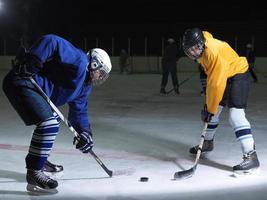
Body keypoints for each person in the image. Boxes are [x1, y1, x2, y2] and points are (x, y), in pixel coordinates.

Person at [2, 34, 112, 192]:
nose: (101, 76)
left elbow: (79, 112)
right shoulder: (80, 60)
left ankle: (41, 159)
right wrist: (34, 60)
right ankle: (34, 171)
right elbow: (51, 41)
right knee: (49, 123)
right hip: (23, 81)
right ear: (94, 63)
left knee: (53, 119)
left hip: (34, 91)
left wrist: (85, 133)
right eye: (101, 72)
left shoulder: (84, 87)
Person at [182, 28, 260, 175]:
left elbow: (215, 84)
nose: (193, 52)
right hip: (226, 75)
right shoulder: (202, 49)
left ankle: (251, 156)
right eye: (189, 50)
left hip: (238, 74)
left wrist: (208, 108)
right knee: (214, 111)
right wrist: (209, 107)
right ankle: (208, 143)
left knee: (235, 115)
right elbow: (213, 82)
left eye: (194, 48)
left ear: (201, 44)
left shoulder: (212, 52)